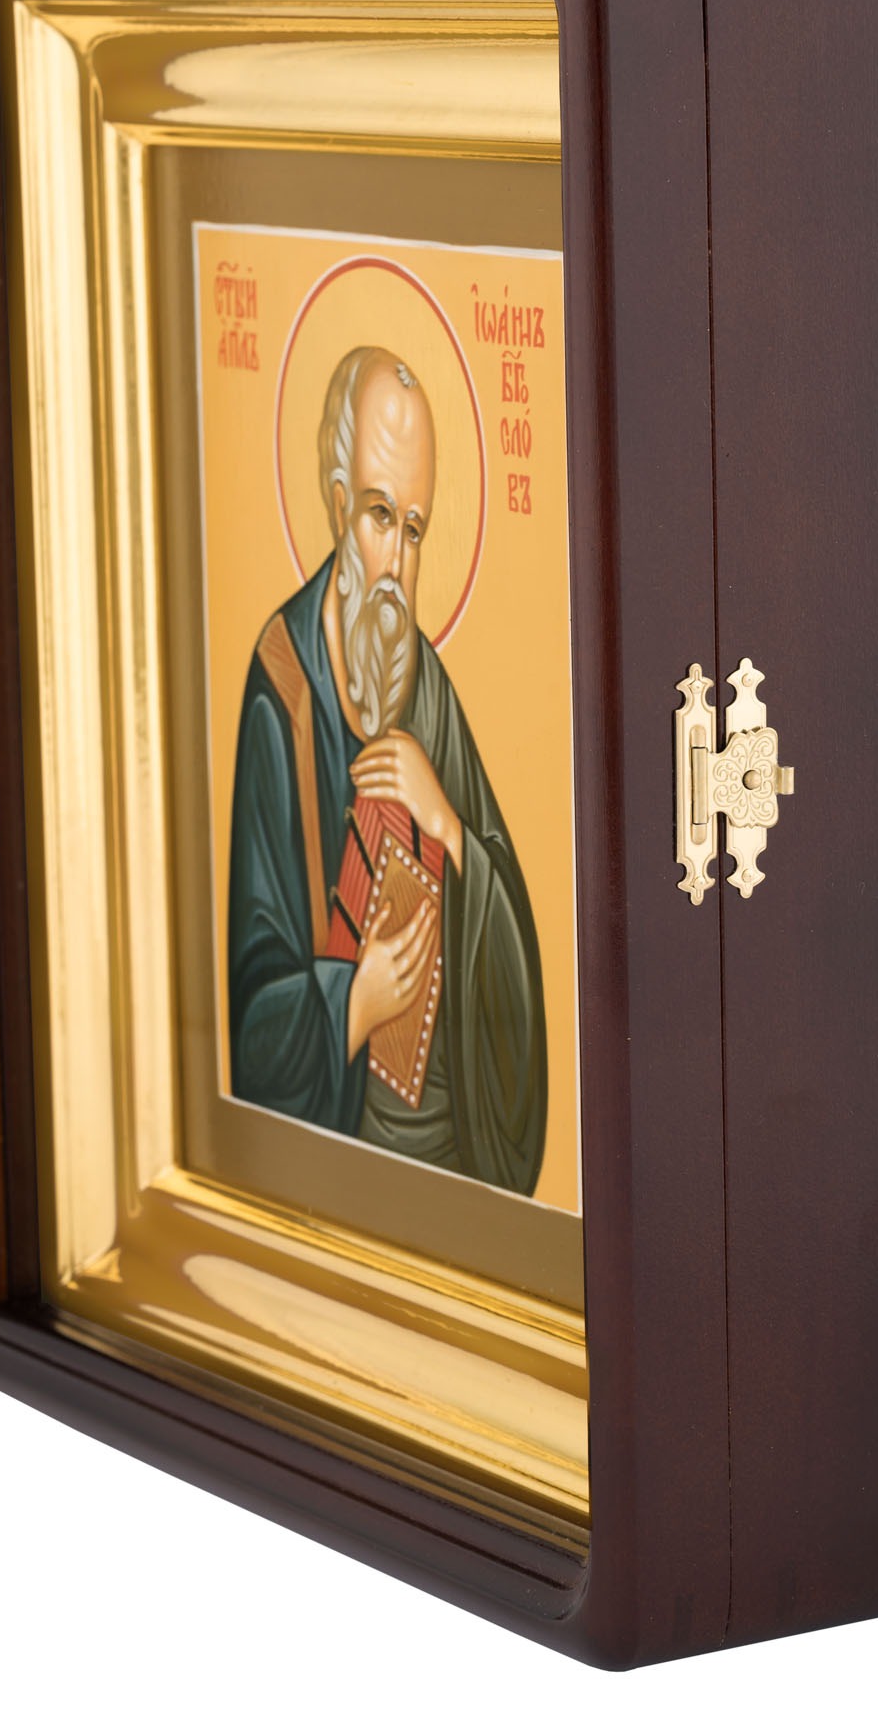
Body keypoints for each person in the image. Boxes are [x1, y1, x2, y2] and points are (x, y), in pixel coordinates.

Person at [226, 345, 546, 1193]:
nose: (398, 564)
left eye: (414, 529)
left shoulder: (424, 681)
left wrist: (446, 825)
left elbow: (512, 931)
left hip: (446, 1148)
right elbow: (250, 1022)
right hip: (344, 1160)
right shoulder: (283, 694)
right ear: (337, 505)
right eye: (378, 516)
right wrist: (355, 1002)